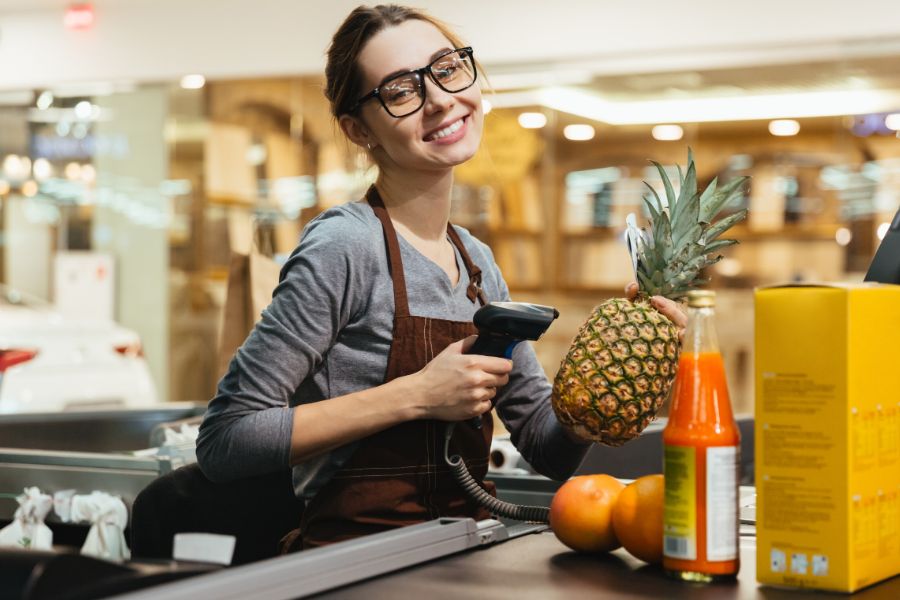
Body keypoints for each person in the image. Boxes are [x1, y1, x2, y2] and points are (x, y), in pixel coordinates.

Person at [194, 4, 687, 551]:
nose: (440, 99)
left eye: (447, 68)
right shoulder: (347, 245)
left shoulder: (476, 262)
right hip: (355, 562)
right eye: (401, 91)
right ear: (359, 129)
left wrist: (612, 383)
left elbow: (548, 452)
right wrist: (416, 396)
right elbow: (226, 440)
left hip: (464, 550)